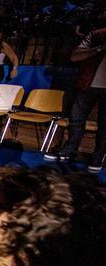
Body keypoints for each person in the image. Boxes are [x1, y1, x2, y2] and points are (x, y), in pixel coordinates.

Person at [44, 27, 106, 172]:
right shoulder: (97, 35)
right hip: (87, 84)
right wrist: (98, 49)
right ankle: (69, 149)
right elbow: (74, 56)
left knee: (104, 124)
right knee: (76, 118)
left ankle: (98, 156)